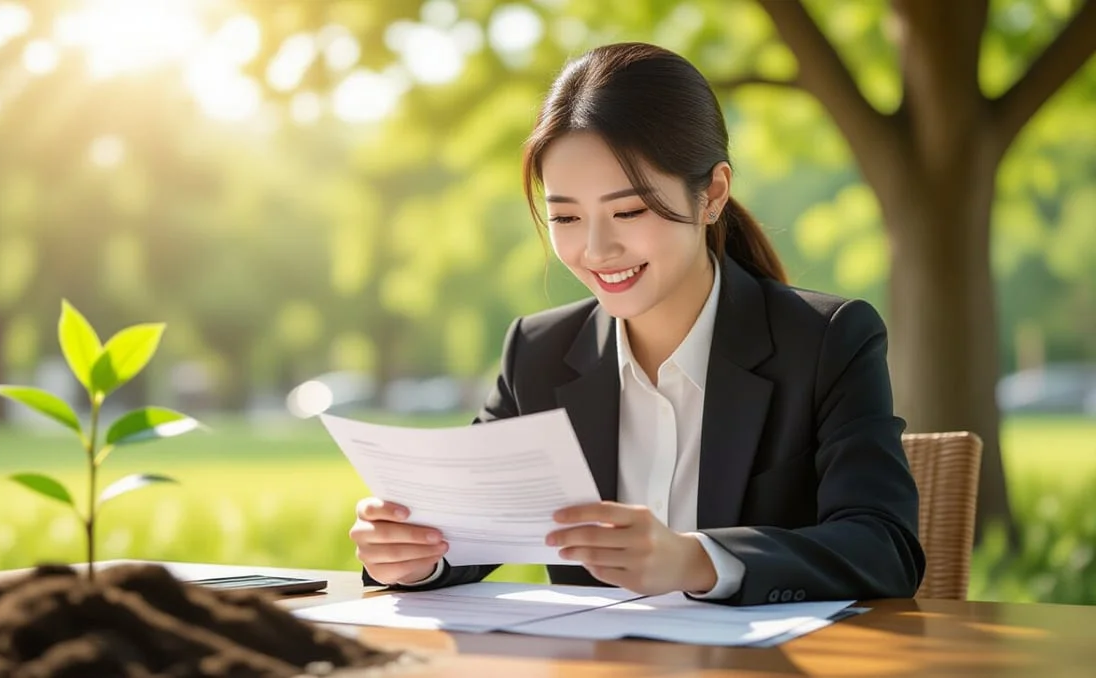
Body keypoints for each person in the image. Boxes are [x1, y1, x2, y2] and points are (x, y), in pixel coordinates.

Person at [349, 42, 924, 605]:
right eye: (566, 216)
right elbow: (470, 530)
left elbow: (884, 546)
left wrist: (695, 559)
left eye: (629, 211)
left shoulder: (825, 341)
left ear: (713, 194)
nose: (597, 250)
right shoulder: (538, 353)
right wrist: (418, 555)